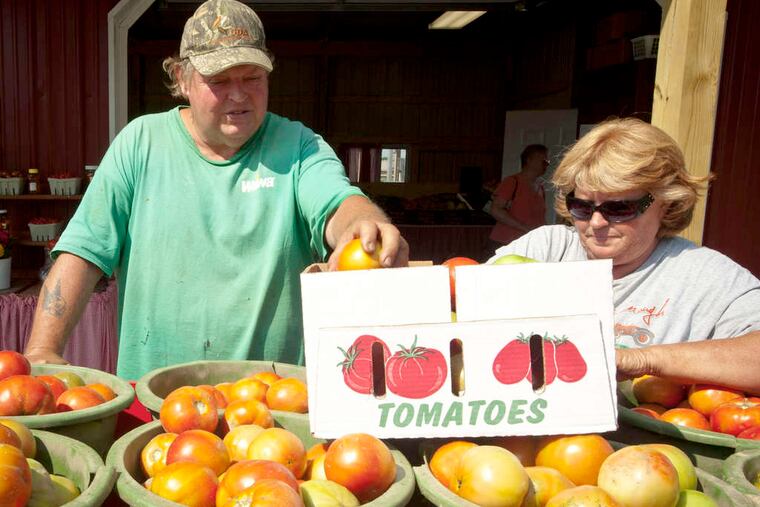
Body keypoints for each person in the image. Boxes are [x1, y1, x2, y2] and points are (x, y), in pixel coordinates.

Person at [23, 0, 408, 380]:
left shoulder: (298, 146)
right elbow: (83, 252)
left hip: (271, 409)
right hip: (158, 404)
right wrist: (43, 348)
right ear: (181, 79)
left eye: (252, 78)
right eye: (219, 80)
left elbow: (337, 202)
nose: (238, 95)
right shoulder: (140, 144)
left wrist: (364, 223)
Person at [488, 118, 760, 394]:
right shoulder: (547, 249)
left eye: (618, 209)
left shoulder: (707, 276)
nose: (596, 223)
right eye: (580, 207)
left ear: (665, 204)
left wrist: (643, 360)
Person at [487, 144, 549, 250]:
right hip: (506, 243)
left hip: (530, 244)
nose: (547, 164)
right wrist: (525, 228)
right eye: (543, 160)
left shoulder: (540, 188)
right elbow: (495, 210)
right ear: (529, 160)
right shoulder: (512, 182)